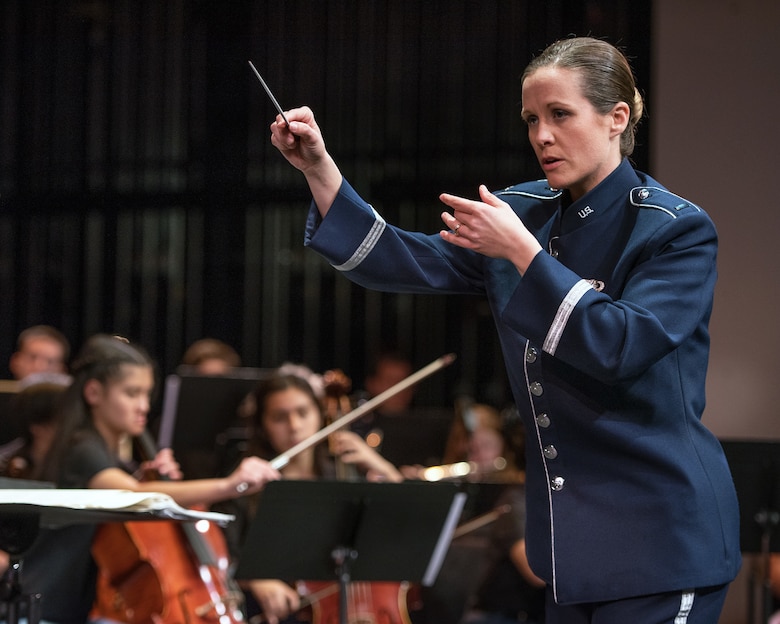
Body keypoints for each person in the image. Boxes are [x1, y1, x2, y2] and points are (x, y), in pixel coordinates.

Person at [268, 35, 741, 623]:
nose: (541, 135)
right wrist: (319, 167)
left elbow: (619, 346)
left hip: (663, 537)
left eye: (560, 115)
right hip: (572, 549)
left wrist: (524, 253)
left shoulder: (674, 229)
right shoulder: (525, 214)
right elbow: (401, 259)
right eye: (531, 119)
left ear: (617, 118)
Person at [11, 333, 279, 624]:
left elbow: (132, 489)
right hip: (46, 610)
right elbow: (136, 495)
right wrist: (229, 485)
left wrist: (150, 476)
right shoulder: (82, 449)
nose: (143, 406)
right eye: (131, 393)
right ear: (94, 393)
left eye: (146, 394)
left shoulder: (111, 457)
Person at [217, 371, 403, 624]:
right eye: (280, 417)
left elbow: (400, 526)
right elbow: (219, 555)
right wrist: (256, 580)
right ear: (262, 426)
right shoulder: (247, 483)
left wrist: (380, 466)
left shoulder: (340, 475)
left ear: (320, 415)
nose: (294, 426)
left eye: (303, 413)